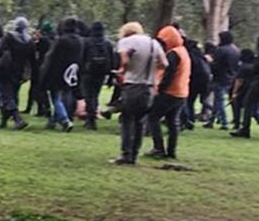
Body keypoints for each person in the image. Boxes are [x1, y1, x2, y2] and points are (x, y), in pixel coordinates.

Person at [111, 21, 167, 165]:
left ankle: (126, 154)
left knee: (127, 119)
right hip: (148, 87)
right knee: (140, 122)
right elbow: (164, 64)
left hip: (132, 85)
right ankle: (134, 155)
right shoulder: (153, 43)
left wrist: (123, 70)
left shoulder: (125, 42)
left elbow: (124, 60)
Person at [147, 25, 190, 160]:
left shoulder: (173, 54)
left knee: (153, 117)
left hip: (170, 92)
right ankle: (171, 151)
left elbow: (168, 74)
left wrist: (160, 88)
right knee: (173, 122)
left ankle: (158, 148)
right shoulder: (183, 51)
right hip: (182, 92)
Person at [41, 18, 83, 133]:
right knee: (67, 94)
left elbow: (52, 58)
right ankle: (54, 121)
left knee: (56, 97)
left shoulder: (61, 41)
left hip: (58, 72)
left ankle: (65, 120)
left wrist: (45, 72)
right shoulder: (79, 41)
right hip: (72, 71)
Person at [0, 17, 34, 130]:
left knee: (6, 95)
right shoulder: (29, 41)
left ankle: (17, 119)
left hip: (6, 70)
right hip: (19, 71)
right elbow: (31, 59)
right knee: (12, 95)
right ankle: (4, 121)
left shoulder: (9, 37)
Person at [80, 21, 115, 130]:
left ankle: (90, 119)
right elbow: (112, 60)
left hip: (87, 72)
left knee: (87, 95)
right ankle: (92, 117)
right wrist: (110, 76)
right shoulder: (107, 43)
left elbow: (81, 57)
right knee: (95, 95)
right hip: (101, 73)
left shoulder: (86, 42)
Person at [207, 31, 240, 130]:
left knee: (219, 100)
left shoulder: (221, 50)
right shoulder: (236, 50)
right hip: (232, 77)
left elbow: (216, 65)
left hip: (220, 77)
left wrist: (209, 62)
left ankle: (224, 122)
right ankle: (212, 120)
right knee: (219, 100)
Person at [183, 37, 210, 130]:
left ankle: (189, 120)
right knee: (201, 100)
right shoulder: (201, 55)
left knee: (189, 101)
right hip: (205, 80)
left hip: (194, 79)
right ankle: (210, 109)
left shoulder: (189, 55)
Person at [28, 22, 54, 117]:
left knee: (38, 90)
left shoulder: (43, 41)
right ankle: (45, 109)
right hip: (50, 66)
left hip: (40, 67)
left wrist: (35, 39)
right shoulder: (54, 39)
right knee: (44, 90)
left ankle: (43, 109)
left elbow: (35, 49)